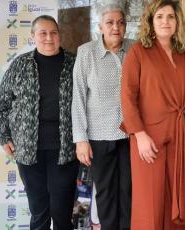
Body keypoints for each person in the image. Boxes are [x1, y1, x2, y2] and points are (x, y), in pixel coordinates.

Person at [0, 15, 78, 229]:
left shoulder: (74, 63)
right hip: (27, 150)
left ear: (59, 35)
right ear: (33, 36)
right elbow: (2, 103)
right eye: (43, 33)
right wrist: (4, 136)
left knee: (62, 213)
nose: (49, 38)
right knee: (39, 212)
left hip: (65, 150)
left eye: (53, 32)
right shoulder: (20, 65)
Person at [120, 0, 185, 229]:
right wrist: (139, 135)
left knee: (175, 196)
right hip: (147, 136)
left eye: (171, 16)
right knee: (149, 200)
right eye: (160, 16)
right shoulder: (138, 52)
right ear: (151, 21)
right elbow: (127, 96)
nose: (165, 21)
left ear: (177, 22)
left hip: (178, 133)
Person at [71, 3, 133, 230]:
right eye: (110, 22)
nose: (116, 27)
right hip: (99, 136)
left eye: (120, 22)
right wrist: (81, 139)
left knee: (129, 192)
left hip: (130, 135)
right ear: (100, 27)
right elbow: (77, 97)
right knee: (105, 194)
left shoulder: (135, 49)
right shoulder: (87, 52)